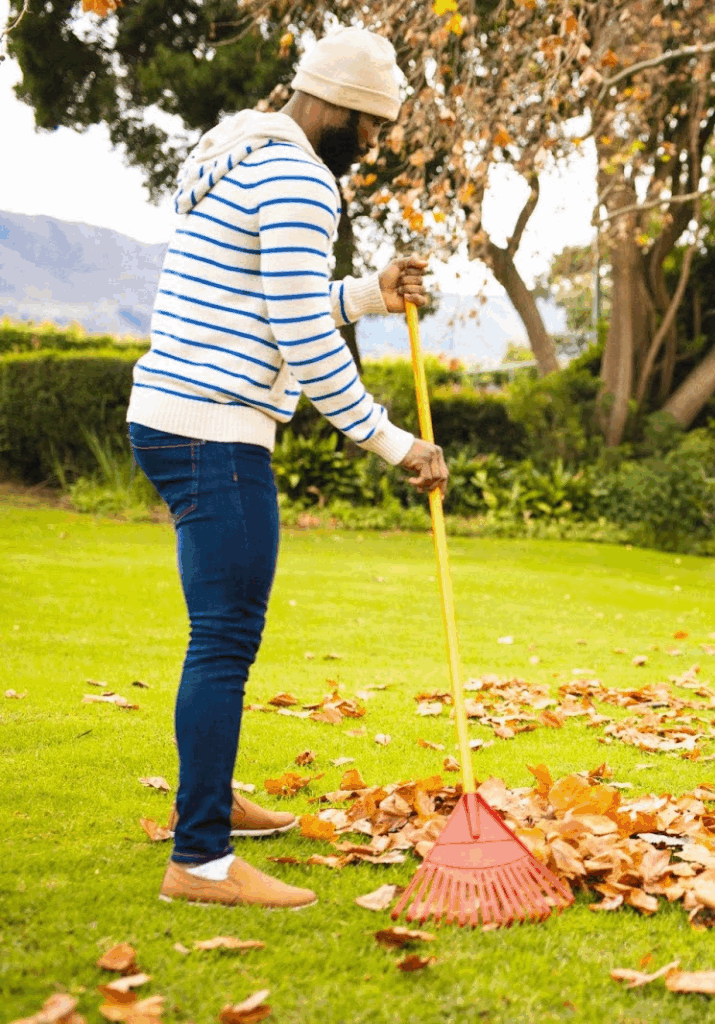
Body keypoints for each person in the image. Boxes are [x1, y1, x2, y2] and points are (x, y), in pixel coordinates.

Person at [127, 27, 448, 909]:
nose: (374, 146)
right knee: (224, 638)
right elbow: (304, 339)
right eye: (374, 128)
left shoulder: (242, 151)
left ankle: (214, 796)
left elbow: (277, 299)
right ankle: (198, 860)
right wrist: (393, 442)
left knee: (216, 631)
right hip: (215, 430)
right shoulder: (303, 177)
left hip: (167, 416)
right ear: (339, 107)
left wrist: (370, 296)